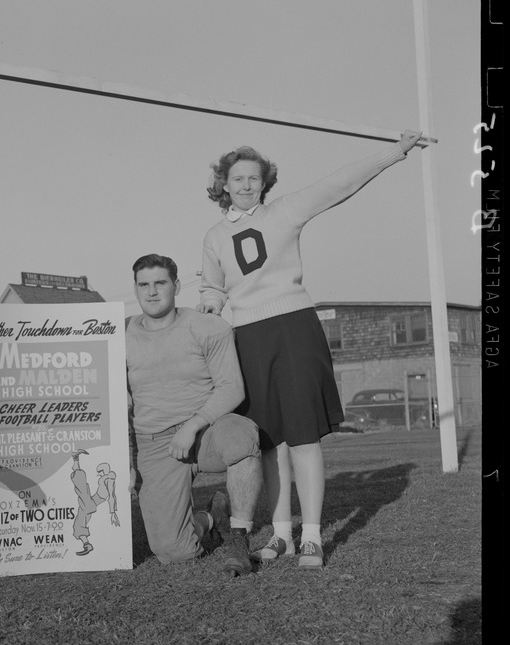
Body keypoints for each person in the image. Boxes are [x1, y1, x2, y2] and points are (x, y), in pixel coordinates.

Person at [197, 130, 423, 568]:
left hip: (294, 329)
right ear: (223, 183)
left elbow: (338, 183)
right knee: (268, 444)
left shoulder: (286, 210)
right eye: (237, 178)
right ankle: (281, 536)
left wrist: (395, 153)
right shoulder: (213, 236)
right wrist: (209, 305)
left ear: (265, 183)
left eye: (254, 178)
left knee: (302, 437)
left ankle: (313, 538)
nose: (246, 185)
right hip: (247, 338)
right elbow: (212, 287)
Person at [126, 254, 262, 576]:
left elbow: (232, 388)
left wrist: (193, 425)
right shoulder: (119, 336)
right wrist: (126, 461)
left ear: (176, 285)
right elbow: (114, 402)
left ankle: (239, 540)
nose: (152, 292)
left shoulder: (206, 327)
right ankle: (213, 515)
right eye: (144, 285)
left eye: (160, 283)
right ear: (135, 289)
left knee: (242, 437)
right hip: (155, 443)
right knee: (174, 552)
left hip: (206, 430)